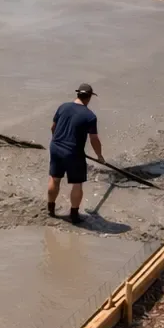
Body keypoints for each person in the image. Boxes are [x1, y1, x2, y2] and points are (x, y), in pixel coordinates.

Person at [47, 83, 104, 225]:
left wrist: (57, 142)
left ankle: (51, 210)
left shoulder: (63, 106)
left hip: (55, 147)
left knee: (55, 178)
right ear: (90, 97)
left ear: (78, 94)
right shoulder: (90, 116)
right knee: (77, 184)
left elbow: (52, 127)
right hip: (73, 152)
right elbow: (94, 139)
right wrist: (100, 156)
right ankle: (74, 215)